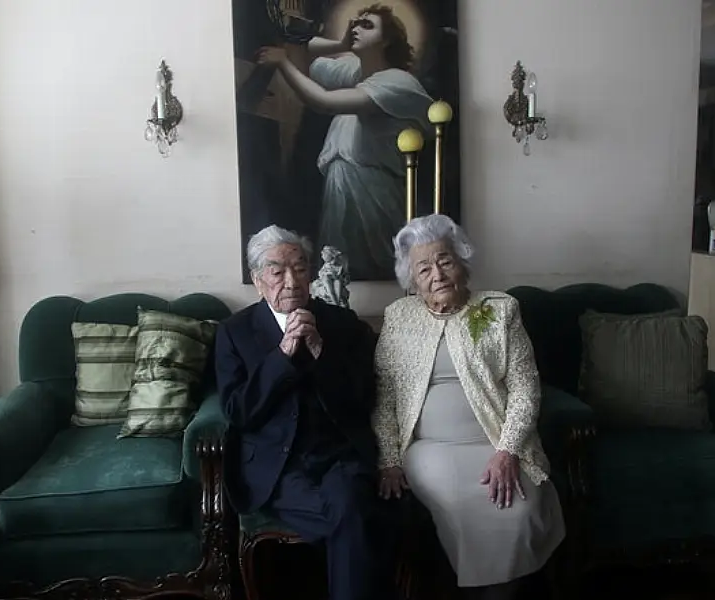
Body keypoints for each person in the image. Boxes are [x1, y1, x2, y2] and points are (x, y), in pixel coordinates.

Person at [373, 214, 566, 600]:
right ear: (413, 280)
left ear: (461, 261)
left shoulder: (500, 310)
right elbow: (386, 397)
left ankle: (497, 592)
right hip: (430, 449)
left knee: (521, 508)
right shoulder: (398, 317)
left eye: (444, 260)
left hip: (496, 442)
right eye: (424, 268)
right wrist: (389, 459)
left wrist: (507, 451)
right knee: (460, 501)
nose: (437, 274)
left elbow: (526, 389)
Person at [215, 225, 395, 600]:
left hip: (337, 455)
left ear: (312, 272)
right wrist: (281, 355)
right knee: (355, 519)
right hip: (277, 465)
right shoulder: (235, 332)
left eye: (299, 268)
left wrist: (318, 351)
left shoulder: (343, 324)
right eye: (277, 271)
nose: (292, 280)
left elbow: (363, 399)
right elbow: (239, 412)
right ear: (258, 280)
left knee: (349, 502)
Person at [256, 4, 433, 280]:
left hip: (374, 188)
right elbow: (304, 57)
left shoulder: (398, 82)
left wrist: (282, 63)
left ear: (387, 40)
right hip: (340, 183)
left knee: (368, 264)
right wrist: (340, 43)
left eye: (367, 25)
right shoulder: (354, 70)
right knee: (337, 267)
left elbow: (323, 101)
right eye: (355, 22)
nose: (356, 28)